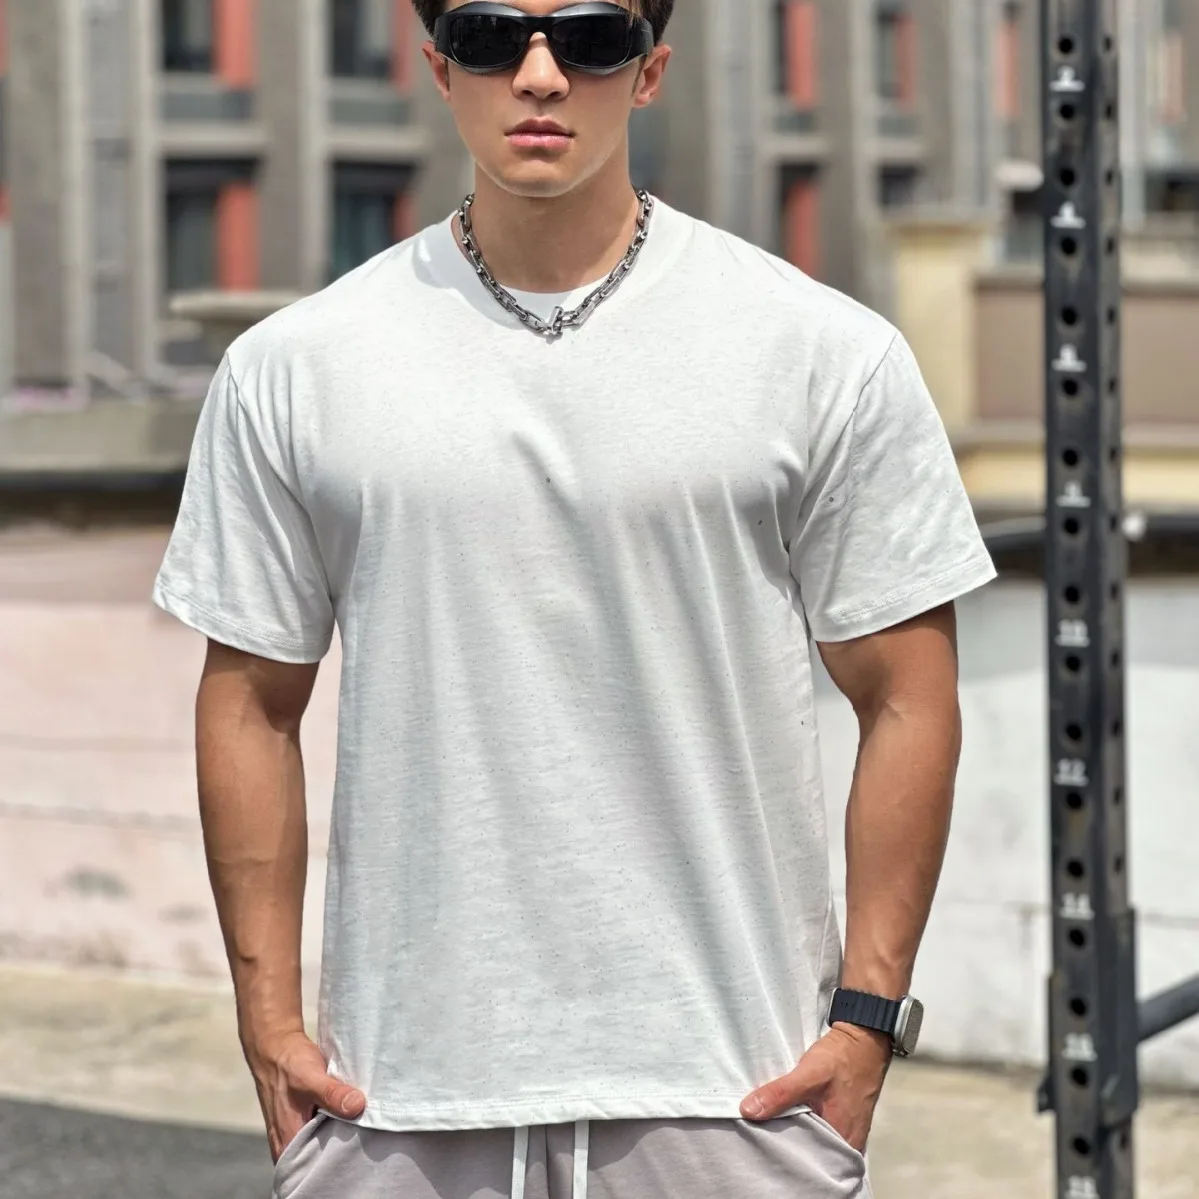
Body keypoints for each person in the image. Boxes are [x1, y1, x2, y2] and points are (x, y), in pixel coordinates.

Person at [152, 1, 997, 1196]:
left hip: (730, 1089)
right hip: (396, 1095)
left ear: (648, 71)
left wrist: (866, 1019)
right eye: (493, 37)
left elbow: (907, 692)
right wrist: (266, 1018)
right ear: (438, 65)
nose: (539, 74)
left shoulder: (819, 352)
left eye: (590, 37)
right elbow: (249, 699)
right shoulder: (294, 367)